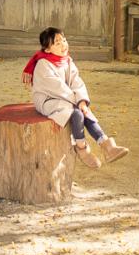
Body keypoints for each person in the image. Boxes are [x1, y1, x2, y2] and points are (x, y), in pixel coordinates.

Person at [23, 26, 128, 168]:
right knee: (77, 112)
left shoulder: (67, 60)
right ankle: (82, 148)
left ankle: (106, 146)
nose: (63, 45)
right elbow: (58, 88)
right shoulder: (43, 65)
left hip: (66, 97)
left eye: (64, 40)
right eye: (57, 43)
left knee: (84, 111)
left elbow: (76, 81)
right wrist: (77, 102)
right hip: (49, 99)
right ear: (47, 49)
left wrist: (82, 101)